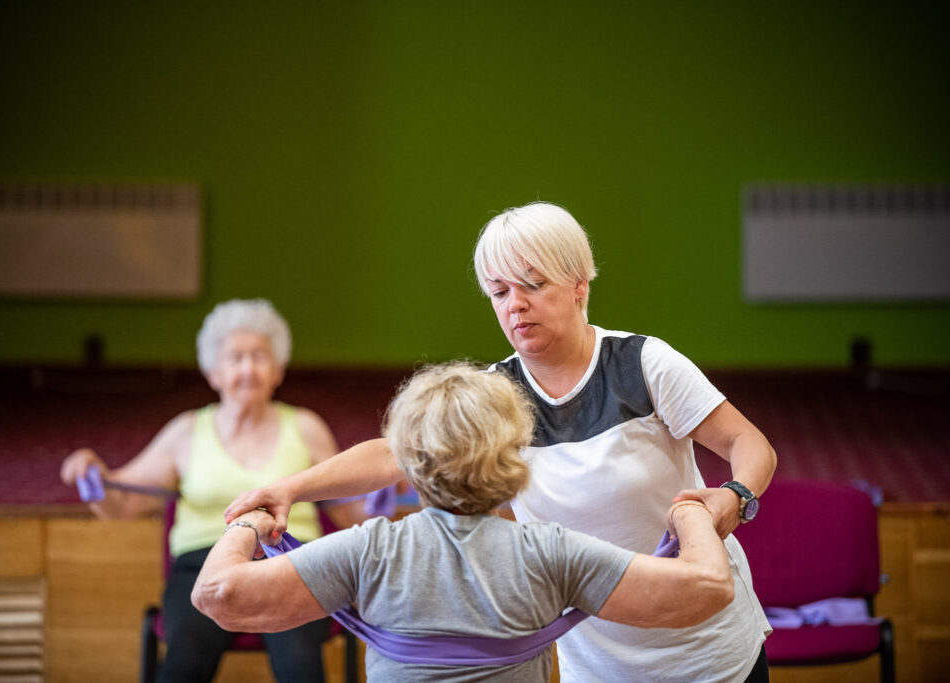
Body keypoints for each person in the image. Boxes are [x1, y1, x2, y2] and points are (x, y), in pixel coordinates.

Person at [225, 202, 777, 682]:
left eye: (533, 285)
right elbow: (396, 453)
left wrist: (735, 495)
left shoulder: (642, 362)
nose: (514, 304)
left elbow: (751, 446)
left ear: (580, 284)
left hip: (711, 649)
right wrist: (290, 488)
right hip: (597, 657)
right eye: (499, 291)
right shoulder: (496, 391)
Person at [195, 362, 735, 682]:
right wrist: (690, 513)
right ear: (515, 456)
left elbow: (218, 594)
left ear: (409, 462)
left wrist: (252, 523)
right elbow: (707, 588)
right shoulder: (553, 553)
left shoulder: (368, 551)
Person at [60, 298, 365, 683]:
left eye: (259, 357)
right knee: (185, 663)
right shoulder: (186, 431)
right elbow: (121, 504)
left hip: (291, 561)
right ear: (214, 373)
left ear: (277, 370)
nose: (248, 368)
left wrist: (386, 492)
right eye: (235, 358)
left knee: (300, 666)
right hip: (202, 565)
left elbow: (352, 512)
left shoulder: (306, 427)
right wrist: (92, 474)